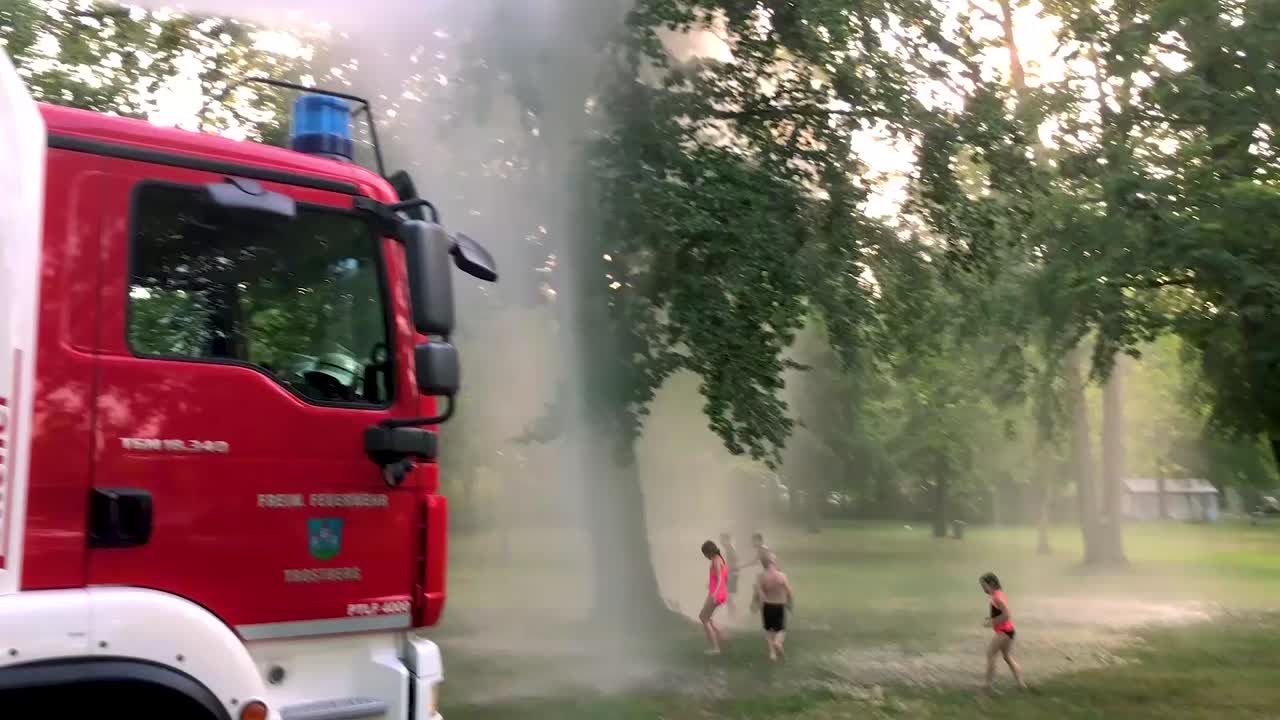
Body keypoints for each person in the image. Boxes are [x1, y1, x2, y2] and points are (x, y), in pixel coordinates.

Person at [980, 572, 1026, 691]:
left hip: (1004, 631)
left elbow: (1006, 615)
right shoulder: (998, 594)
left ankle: (987, 685)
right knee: (1007, 657)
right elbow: (1001, 613)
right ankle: (1021, 684)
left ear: (991, 584)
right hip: (1009, 631)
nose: (983, 589)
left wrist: (992, 622)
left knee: (990, 654)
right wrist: (992, 619)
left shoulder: (997, 597)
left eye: (984, 586)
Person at [750, 553, 793, 661]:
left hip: (767, 606)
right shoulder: (782, 575)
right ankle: (777, 643)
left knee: (769, 632)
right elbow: (789, 591)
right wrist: (790, 603)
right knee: (781, 630)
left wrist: (753, 604)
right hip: (779, 605)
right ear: (772, 562)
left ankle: (772, 654)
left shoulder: (761, 576)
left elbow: (757, 592)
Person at [699, 540, 729, 655]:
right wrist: (711, 585)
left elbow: (720, 579)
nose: (705, 556)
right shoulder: (720, 559)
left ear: (709, 552)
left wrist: (714, 594)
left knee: (704, 617)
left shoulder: (715, 560)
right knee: (706, 617)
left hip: (716, 594)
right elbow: (723, 578)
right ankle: (722, 636)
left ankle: (716, 648)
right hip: (719, 593)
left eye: (705, 553)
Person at [719, 533, 740, 616]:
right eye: (720, 539)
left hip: (732, 574)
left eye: (722, 539)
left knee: (729, 596)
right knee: (728, 596)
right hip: (731, 574)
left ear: (727, 540)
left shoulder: (730, 550)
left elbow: (733, 563)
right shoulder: (729, 549)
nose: (721, 542)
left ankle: (733, 614)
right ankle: (732, 614)